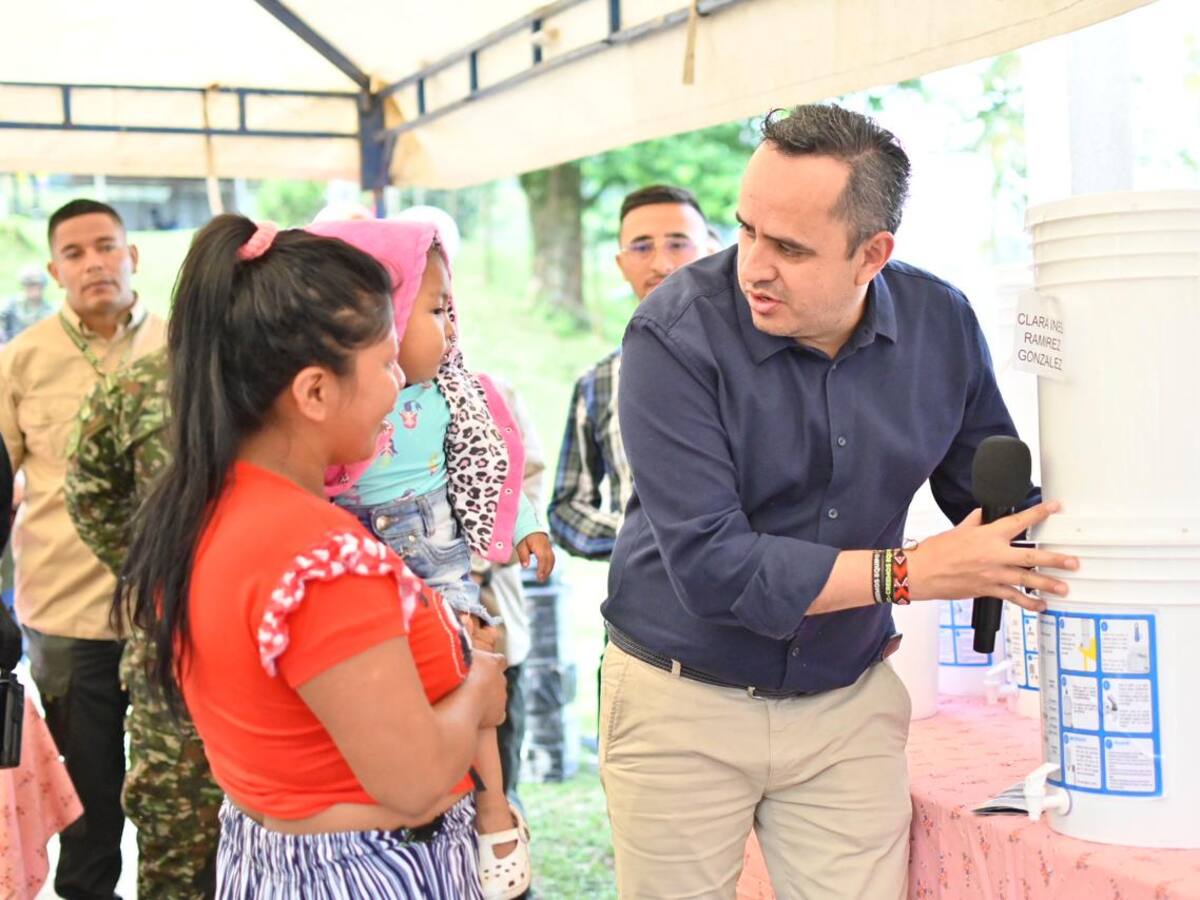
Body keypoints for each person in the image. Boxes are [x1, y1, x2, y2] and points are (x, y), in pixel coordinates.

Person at [598, 103, 1080, 898]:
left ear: (873, 255)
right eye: (746, 229)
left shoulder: (942, 323)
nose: (753, 264)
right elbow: (714, 567)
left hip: (846, 704)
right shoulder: (671, 336)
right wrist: (908, 574)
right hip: (679, 703)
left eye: (788, 247)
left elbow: (990, 502)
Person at [117, 214, 508, 897]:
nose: (399, 384)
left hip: (267, 856)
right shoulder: (321, 556)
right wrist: (479, 685)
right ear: (315, 392)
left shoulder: (200, 510)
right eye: (384, 363)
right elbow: (414, 783)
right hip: (366, 870)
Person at [310, 218, 552, 900]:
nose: (450, 327)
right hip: (353, 546)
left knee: (468, 673)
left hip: (434, 552)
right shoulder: (330, 396)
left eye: (452, 311)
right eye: (435, 307)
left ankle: (494, 806)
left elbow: (486, 471)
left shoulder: (455, 394)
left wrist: (526, 526)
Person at [0, 198, 166, 899]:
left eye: (106, 245)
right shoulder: (21, 360)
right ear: (53, 269)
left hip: (170, 614)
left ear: (133, 256)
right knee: (86, 803)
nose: (93, 262)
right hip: (68, 619)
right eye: (75, 252)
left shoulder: (182, 348)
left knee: (179, 802)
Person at [64, 346, 223, 898]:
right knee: (177, 854)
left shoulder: (295, 373)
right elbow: (89, 489)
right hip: (174, 665)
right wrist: (152, 571)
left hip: (279, 659)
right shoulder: (137, 386)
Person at [547, 185, 711, 561]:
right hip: (641, 609)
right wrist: (637, 538)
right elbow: (566, 509)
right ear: (621, 265)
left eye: (678, 243)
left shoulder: (757, 364)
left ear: (710, 251)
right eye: (641, 247)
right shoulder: (599, 382)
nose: (661, 264)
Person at [468, 376, 545, 803]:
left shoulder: (493, 391)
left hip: (495, 617)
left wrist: (477, 566)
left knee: (497, 784)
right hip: (413, 631)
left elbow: (526, 482)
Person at [0, 265, 54, 344]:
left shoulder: (50, 311)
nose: (33, 289)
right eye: (29, 285)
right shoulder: (11, 305)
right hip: (11, 348)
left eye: (36, 285)